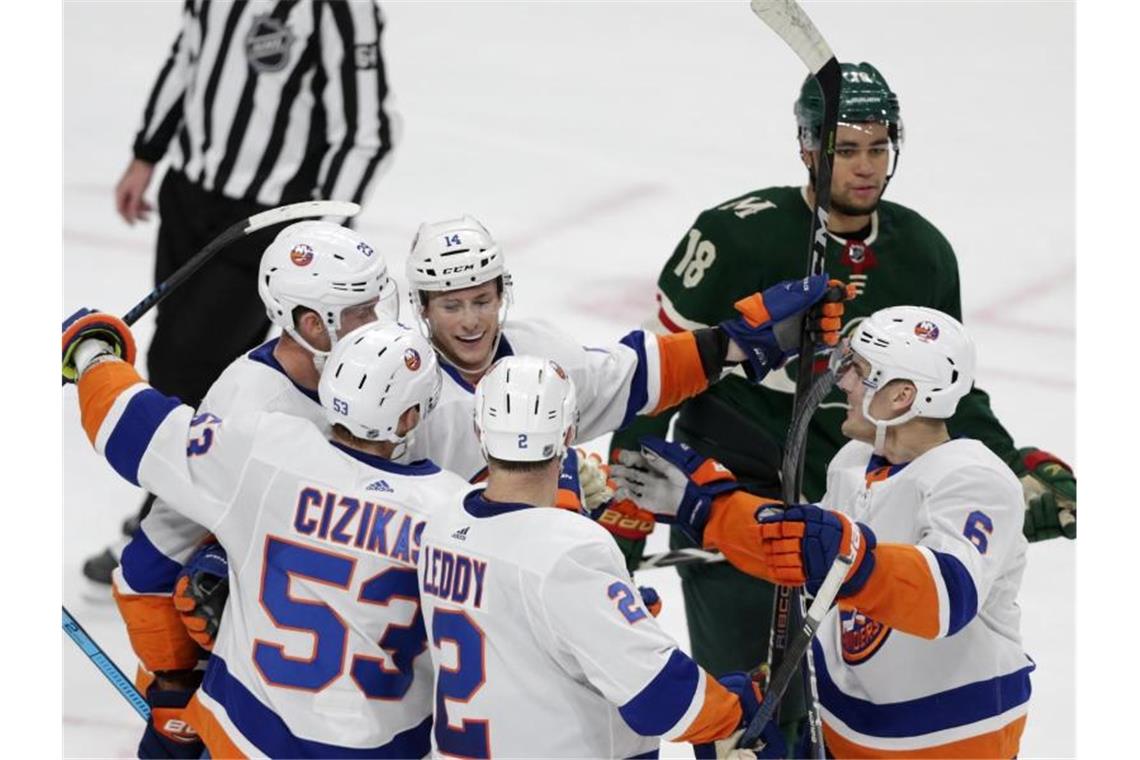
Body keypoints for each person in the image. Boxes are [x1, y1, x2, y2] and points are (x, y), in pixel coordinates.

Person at [607, 60, 1074, 688]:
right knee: (743, 715)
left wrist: (1008, 465)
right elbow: (658, 384)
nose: (866, 166)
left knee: (836, 708)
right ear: (807, 149)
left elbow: (944, 393)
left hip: (852, 510)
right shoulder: (733, 239)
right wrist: (626, 512)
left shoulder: (921, 251)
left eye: (879, 148)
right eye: (847, 149)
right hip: (736, 500)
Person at [613, 306, 1033, 758]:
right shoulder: (853, 462)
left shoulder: (972, 478)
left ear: (902, 396)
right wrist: (709, 509)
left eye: (862, 371)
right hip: (845, 732)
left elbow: (947, 597)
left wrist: (847, 555)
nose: (845, 381)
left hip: (954, 741)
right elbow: (804, 549)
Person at [86, 0, 397, 584]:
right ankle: (198, 513)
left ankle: (171, 528)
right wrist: (146, 155)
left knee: (192, 359)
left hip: (267, 220)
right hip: (188, 198)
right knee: (177, 359)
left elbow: (366, 132)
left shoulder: (339, 8)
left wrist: (318, 231)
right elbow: (188, 56)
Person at [62, 315, 464, 758]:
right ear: (410, 417)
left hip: (247, 738)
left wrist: (91, 351)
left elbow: (135, 428)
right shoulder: (451, 509)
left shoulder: (269, 452)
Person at [103, 221, 397, 756]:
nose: (377, 324)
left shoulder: (365, 376)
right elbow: (151, 562)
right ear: (313, 324)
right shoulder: (250, 409)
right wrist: (172, 681)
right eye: (361, 312)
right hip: (256, 681)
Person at [417, 355, 785, 758]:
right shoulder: (570, 551)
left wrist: (611, 613)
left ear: (479, 430)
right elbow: (659, 698)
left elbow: (515, 614)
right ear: (569, 432)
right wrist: (736, 712)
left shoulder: (443, 521)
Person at [403, 214, 846, 495]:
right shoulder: (402, 386)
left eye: (481, 300)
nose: (470, 322)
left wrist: (741, 341)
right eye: (451, 305)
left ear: (503, 293)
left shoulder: (542, 354)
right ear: (423, 308)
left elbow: (632, 375)